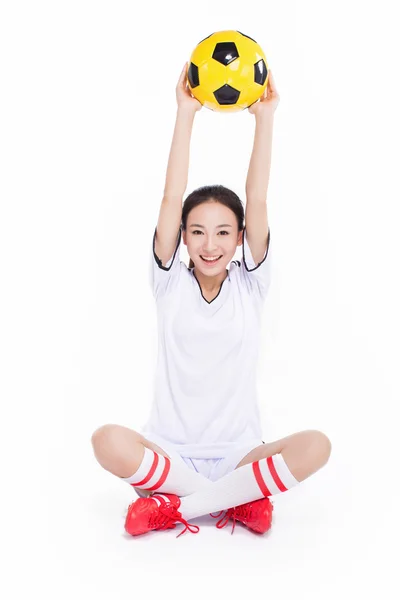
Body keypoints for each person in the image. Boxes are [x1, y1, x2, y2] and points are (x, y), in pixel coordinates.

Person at [91, 63, 332, 538]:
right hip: (170, 453)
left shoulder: (250, 283)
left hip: (238, 453)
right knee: (106, 442)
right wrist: (185, 113)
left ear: (241, 238)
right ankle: (236, 501)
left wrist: (266, 118)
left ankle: (180, 506)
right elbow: (170, 196)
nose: (210, 244)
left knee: (317, 446)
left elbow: (257, 199)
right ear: (182, 237)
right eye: (197, 231)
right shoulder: (168, 283)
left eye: (223, 232)